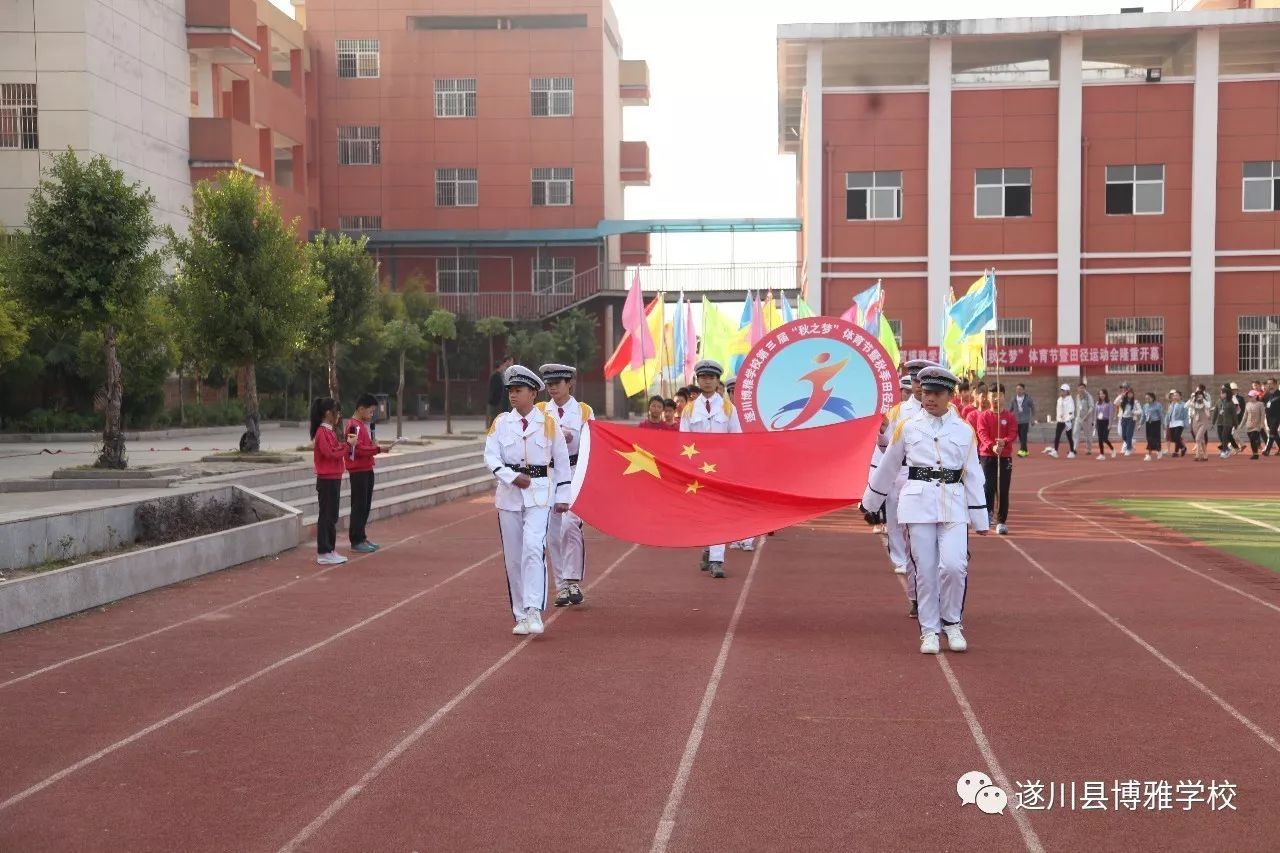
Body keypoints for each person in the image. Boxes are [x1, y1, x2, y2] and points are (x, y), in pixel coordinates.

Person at [861, 366, 988, 655]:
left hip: (954, 505)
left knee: (955, 566)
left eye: (937, 394)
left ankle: (952, 622)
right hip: (917, 504)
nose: (929, 398)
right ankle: (929, 630)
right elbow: (889, 465)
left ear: (949, 396)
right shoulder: (909, 427)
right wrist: (870, 503)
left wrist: (980, 516)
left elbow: (973, 473)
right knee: (926, 571)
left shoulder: (964, 430)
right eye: (927, 392)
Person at [484, 365, 571, 636]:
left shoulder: (547, 422)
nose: (512, 395)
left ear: (533, 393)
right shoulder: (501, 422)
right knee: (513, 557)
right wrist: (510, 476)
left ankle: (534, 610)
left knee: (533, 547)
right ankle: (520, 614)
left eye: (518, 390)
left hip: (539, 492)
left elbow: (562, 460)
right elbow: (490, 456)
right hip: (509, 496)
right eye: (510, 390)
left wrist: (563, 495)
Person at [868, 362, 929, 604]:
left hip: (932, 480)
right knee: (897, 523)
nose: (917, 386)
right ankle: (901, 560)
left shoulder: (946, 412)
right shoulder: (898, 411)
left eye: (921, 382)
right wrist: (882, 432)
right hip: (902, 473)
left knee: (922, 534)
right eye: (914, 382)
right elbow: (886, 447)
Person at [537, 363, 594, 608]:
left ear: (569, 383)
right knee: (552, 529)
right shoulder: (540, 410)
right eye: (548, 384)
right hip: (549, 472)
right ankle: (561, 585)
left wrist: (572, 436)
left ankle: (572, 580)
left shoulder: (583, 411)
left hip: (574, 470)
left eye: (557, 383)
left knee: (571, 522)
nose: (552, 388)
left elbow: (593, 443)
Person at [680, 359, 742, 578]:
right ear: (698, 381)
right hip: (697, 468)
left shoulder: (728, 407)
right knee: (702, 512)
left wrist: (735, 467)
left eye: (711, 378)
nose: (707, 382)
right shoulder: (689, 410)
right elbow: (683, 441)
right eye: (703, 378)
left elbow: (737, 439)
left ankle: (717, 559)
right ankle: (708, 546)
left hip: (721, 468)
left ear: (718, 382)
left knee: (719, 511)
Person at [345, 393, 389, 553]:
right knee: (359, 505)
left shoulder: (361, 426)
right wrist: (377, 449)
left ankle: (361, 536)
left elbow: (364, 446)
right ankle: (356, 539)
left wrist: (374, 445)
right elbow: (355, 449)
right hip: (358, 471)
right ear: (361, 409)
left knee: (365, 505)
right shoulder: (352, 426)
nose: (372, 415)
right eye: (370, 412)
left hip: (367, 469)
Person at [310, 397, 348, 566]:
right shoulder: (321, 432)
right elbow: (330, 453)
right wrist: (347, 447)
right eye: (336, 411)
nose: (338, 414)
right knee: (326, 515)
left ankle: (330, 549)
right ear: (327, 413)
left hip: (334, 477)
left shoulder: (329, 431)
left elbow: (336, 449)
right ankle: (324, 551)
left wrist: (345, 445)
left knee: (332, 515)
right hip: (327, 479)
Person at [976, 384, 1016, 536]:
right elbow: (982, 433)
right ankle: (987, 514)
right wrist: (992, 446)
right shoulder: (984, 416)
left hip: (1004, 457)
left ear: (1004, 397)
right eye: (993, 396)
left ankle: (1001, 521)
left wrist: (1003, 441)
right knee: (988, 488)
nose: (996, 399)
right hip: (988, 456)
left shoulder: (1009, 416)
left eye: (999, 395)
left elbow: (1013, 433)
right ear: (988, 397)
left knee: (1003, 490)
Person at [1045, 384, 1076, 459]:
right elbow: (1058, 410)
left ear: (1067, 391)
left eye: (1063, 391)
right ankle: (1055, 451)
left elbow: (1071, 410)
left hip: (1068, 421)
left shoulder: (1070, 400)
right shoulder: (1059, 399)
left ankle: (1072, 452)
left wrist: (1068, 418)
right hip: (1060, 421)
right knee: (1057, 436)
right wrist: (1058, 418)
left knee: (1069, 436)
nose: (1062, 392)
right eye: (1061, 390)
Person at [486, 354, 514, 427]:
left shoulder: (499, 375)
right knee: (494, 419)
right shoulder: (496, 375)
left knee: (497, 419)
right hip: (496, 402)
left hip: (499, 401)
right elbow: (496, 389)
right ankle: (491, 433)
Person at [1009, 383, 1035, 457]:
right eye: (1017, 389)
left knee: (1023, 436)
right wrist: (1007, 418)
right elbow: (1010, 409)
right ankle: (1025, 450)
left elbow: (1033, 408)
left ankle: (1022, 451)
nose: (1018, 391)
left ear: (1023, 390)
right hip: (1016, 420)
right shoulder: (1013, 399)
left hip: (1025, 420)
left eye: (1020, 389)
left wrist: (1032, 419)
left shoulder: (1028, 398)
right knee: (1020, 436)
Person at [1214, 385, 1239, 459]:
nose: (1220, 394)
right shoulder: (1221, 402)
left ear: (1226, 394)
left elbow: (1234, 414)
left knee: (1225, 436)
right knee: (1221, 436)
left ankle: (1225, 451)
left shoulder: (1231, 403)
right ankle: (1226, 449)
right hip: (1221, 422)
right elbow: (1218, 411)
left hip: (1228, 423)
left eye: (1222, 393)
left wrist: (1236, 424)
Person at [1189, 387, 1213, 462]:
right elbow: (1186, 406)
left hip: (1203, 422)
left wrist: (1203, 400)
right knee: (1201, 440)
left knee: (1198, 438)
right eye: (1197, 395)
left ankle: (1198, 455)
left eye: (1200, 395)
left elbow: (1208, 406)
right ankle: (1205, 455)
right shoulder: (1194, 402)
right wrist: (1193, 399)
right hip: (1195, 422)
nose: (1199, 396)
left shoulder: (1205, 402)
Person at [1074, 383, 1096, 458]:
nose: (1081, 389)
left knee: (1088, 435)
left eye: (1082, 388)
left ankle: (1089, 449)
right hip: (1079, 418)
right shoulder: (1077, 396)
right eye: (1080, 388)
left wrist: (1087, 416)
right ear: (1078, 389)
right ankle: (1074, 449)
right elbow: (1077, 407)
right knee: (1075, 433)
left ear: (1085, 388)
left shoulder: (1088, 396)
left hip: (1087, 418)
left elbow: (1092, 407)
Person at [1244, 389, 1266, 460]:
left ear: (1255, 396)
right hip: (1249, 425)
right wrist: (1240, 425)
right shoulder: (1247, 404)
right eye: (1249, 396)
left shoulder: (1260, 404)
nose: (1249, 397)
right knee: (1252, 440)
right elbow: (1245, 416)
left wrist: (1262, 424)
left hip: (1257, 426)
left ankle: (1256, 454)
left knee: (1253, 439)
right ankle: (1255, 453)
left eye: (1251, 396)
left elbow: (1263, 415)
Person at [1117, 384, 1139, 456]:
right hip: (1123, 418)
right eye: (1128, 393)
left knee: (1128, 434)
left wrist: (1134, 412)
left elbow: (1140, 411)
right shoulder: (1123, 401)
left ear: (1132, 394)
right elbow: (1115, 402)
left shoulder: (1135, 402)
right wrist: (1121, 396)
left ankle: (1128, 449)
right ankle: (1131, 445)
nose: (1129, 395)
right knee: (1123, 435)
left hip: (1131, 419)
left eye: (1131, 393)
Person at [1142, 392, 1164, 461]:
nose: (1147, 399)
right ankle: (1159, 450)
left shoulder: (1158, 405)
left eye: (1149, 398)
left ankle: (1149, 455)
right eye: (1146, 398)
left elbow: (1161, 415)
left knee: (1154, 438)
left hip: (1156, 423)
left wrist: (1163, 424)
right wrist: (1140, 424)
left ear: (1153, 398)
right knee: (1149, 438)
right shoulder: (1145, 406)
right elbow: (1143, 416)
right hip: (1148, 423)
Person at [1166, 390, 1188, 458]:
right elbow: (1169, 413)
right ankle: (1182, 448)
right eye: (1174, 395)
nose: (1175, 397)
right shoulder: (1172, 404)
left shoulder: (1183, 404)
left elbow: (1185, 415)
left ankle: (1180, 449)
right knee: (1173, 438)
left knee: (1176, 437)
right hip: (1172, 423)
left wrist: (1185, 423)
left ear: (1180, 396)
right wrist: (1167, 422)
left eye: (1177, 395)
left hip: (1179, 423)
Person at [1095, 388, 1116, 460]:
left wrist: (1110, 425)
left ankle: (1112, 449)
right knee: (1100, 439)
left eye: (1103, 394)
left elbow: (1111, 415)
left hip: (1106, 422)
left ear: (1106, 394)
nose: (1101, 395)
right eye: (1100, 394)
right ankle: (1102, 454)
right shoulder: (1097, 403)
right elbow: (1095, 413)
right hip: (1099, 422)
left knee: (1105, 438)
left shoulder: (1109, 403)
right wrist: (1095, 423)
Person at [1264, 378, 1280, 456]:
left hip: (1276, 417)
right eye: (1268, 383)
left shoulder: (1279, 394)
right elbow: (1261, 402)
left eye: (1271, 383)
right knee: (1274, 433)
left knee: (1272, 432)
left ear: (1275, 384)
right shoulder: (1267, 394)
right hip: (1268, 417)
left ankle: (1267, 450)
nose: (1269, 385)